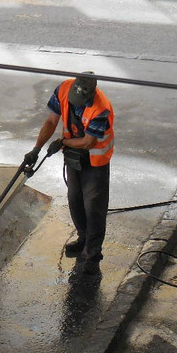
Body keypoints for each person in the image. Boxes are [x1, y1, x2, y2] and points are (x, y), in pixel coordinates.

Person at [24, 72, 114, 275]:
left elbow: (88, 142)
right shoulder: (63, 90)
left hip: (95, 160)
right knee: (75, 199)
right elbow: (51, 121)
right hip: (74, 157)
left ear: (91, 95)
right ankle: (83, 239)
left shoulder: (101, 108)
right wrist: (36, 149)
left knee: (94, 206)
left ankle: (92, 252)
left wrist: (62, 142)